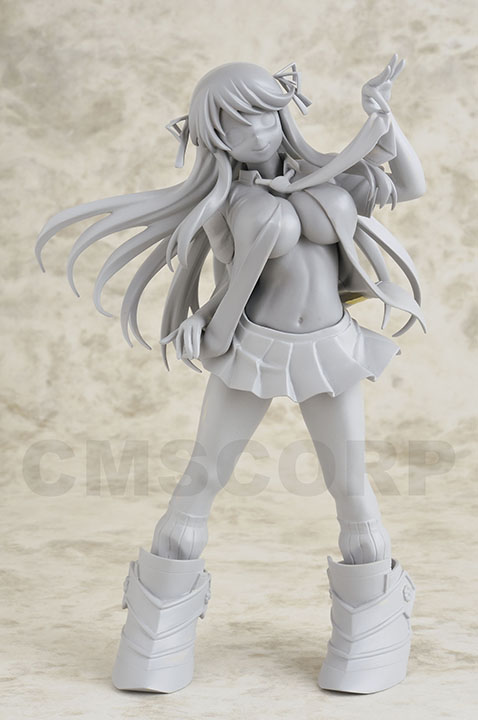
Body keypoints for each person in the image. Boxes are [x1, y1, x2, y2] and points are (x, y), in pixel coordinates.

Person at [36, 57, 426, 695]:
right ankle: (156, 631)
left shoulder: (331, 176)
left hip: (329, 347)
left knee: (349, 485)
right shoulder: (226, 204)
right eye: (234, 124)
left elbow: (408, 186)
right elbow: (234, 281)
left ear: (282, 108)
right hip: (252, 348)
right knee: (201, 478)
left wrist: (385, 119)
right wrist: (204, 322)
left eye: (262, 113)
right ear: (213, 137)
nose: (257, 131)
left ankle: (373, 627)